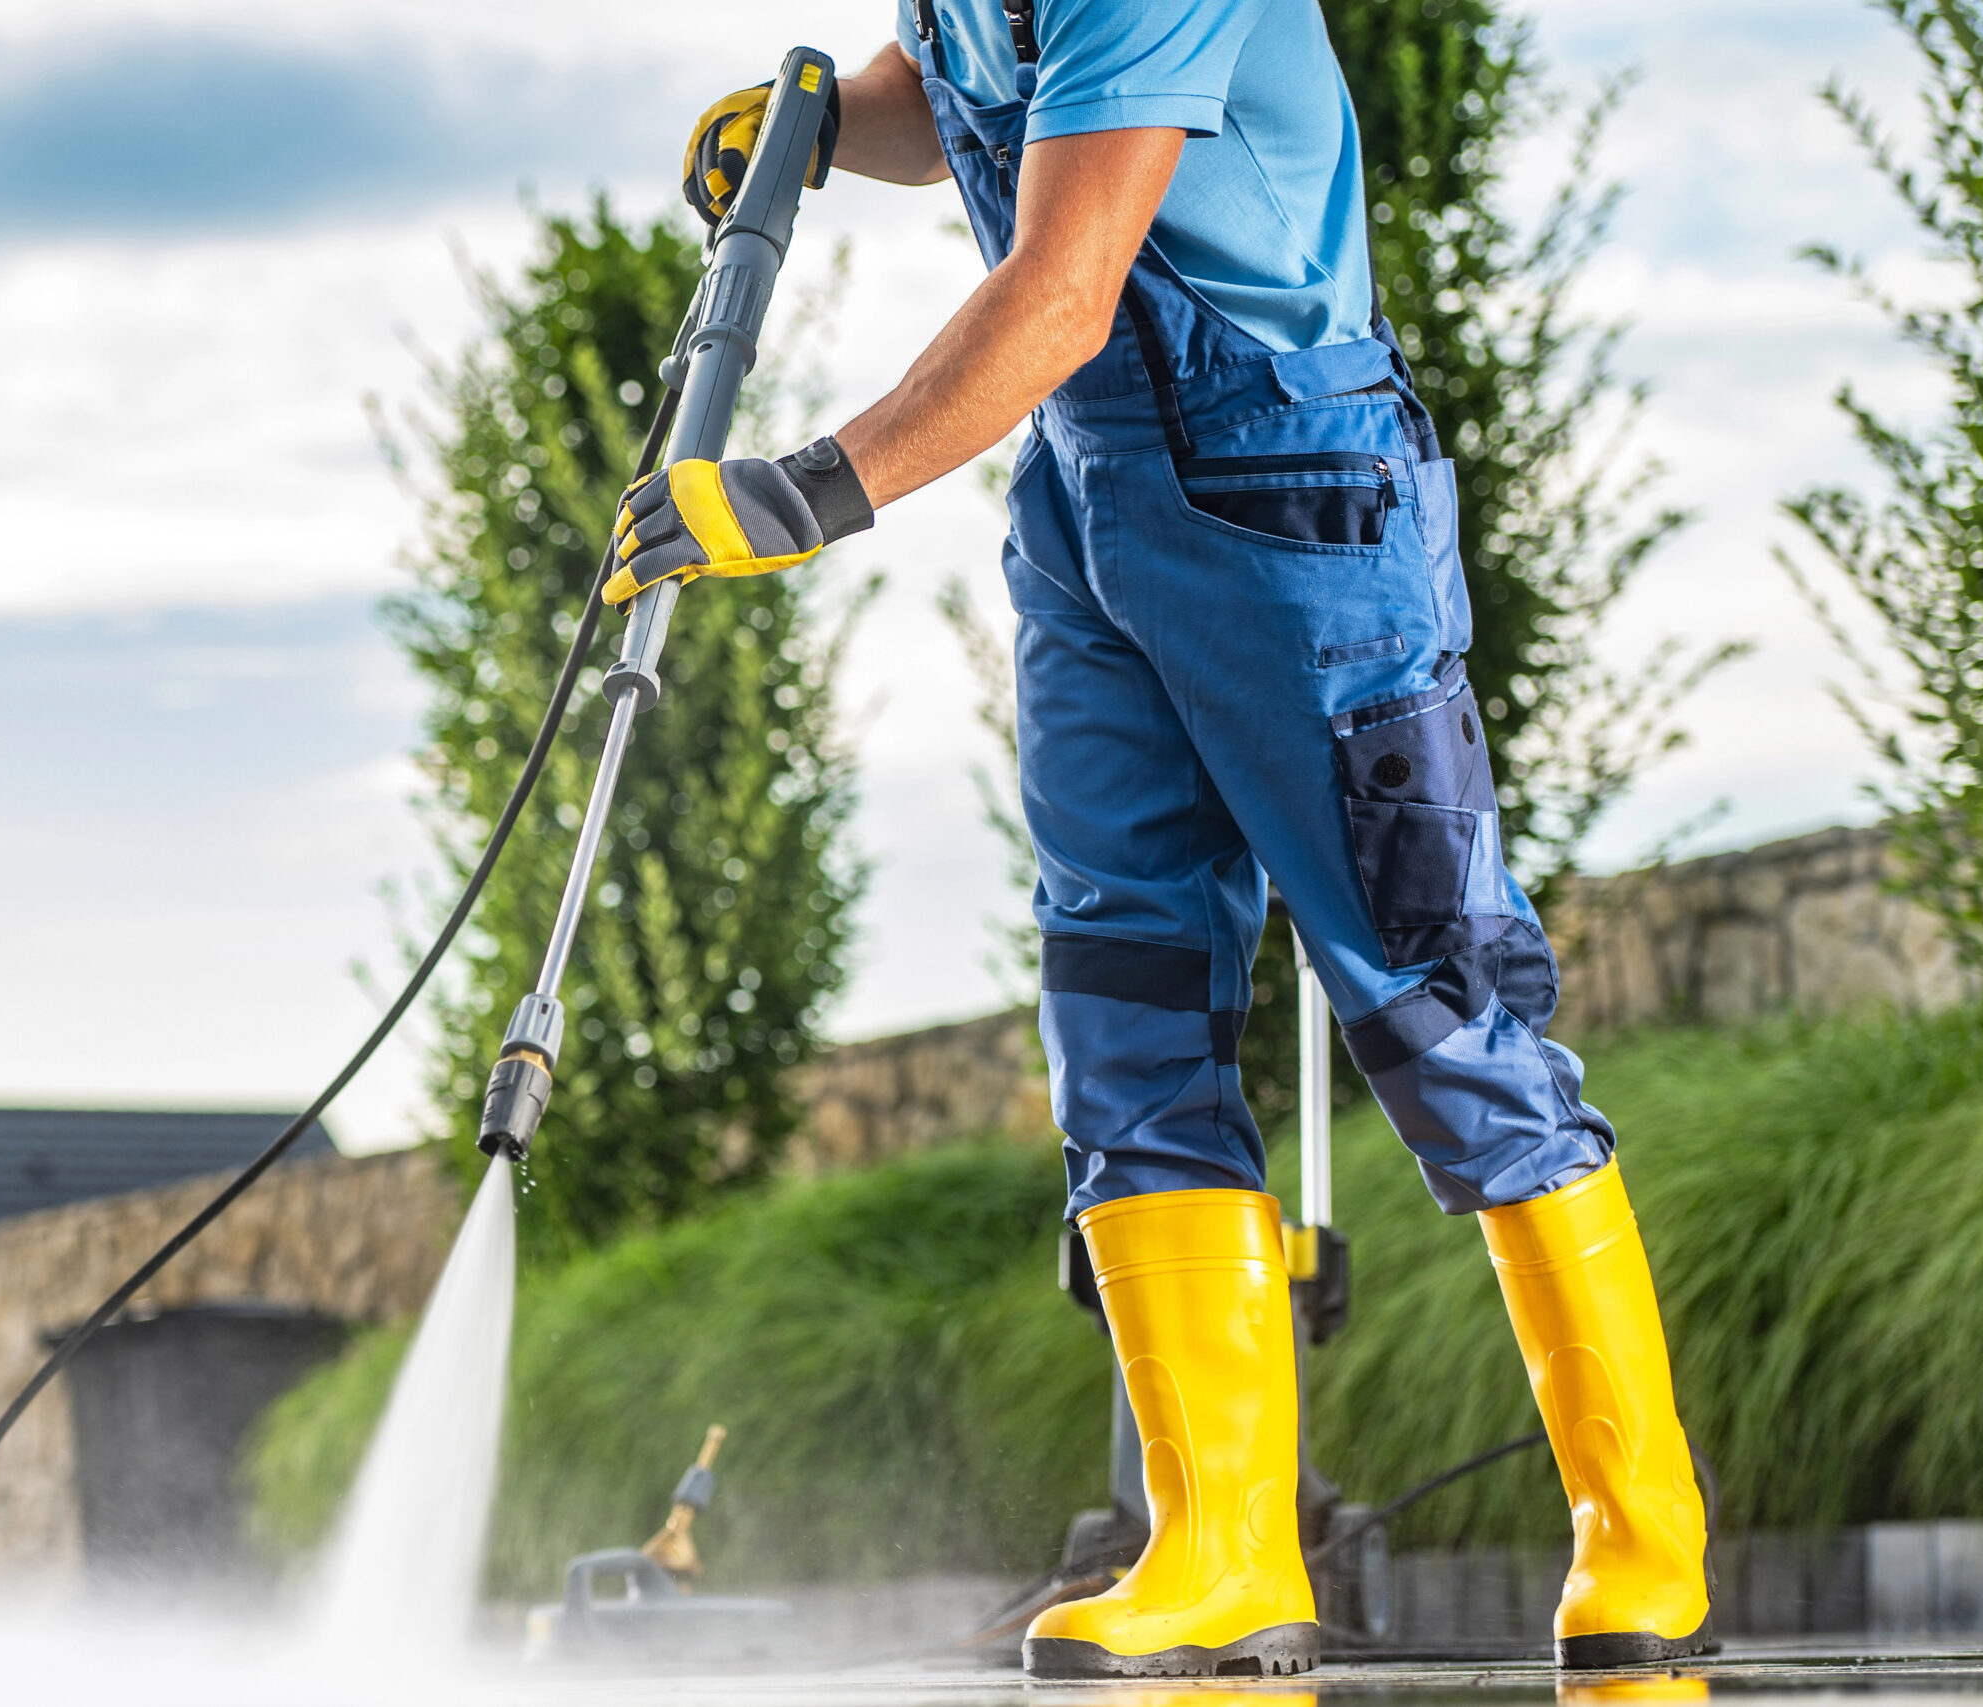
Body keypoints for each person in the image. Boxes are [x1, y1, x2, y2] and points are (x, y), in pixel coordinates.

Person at [615, 0, 1712, 1683]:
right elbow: (969, 96)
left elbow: (1061, 290)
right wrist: (831, 128)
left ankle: (1641, 1531)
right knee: (1124, 1015)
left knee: (1442, 1005)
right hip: (1088, 500)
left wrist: (808, 490)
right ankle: (1217, 1548)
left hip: (1294, 489)